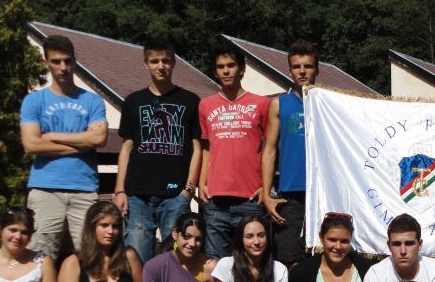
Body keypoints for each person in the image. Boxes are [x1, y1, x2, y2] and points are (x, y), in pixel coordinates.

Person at [20, 35, 108, 260]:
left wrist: (53, 136)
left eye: (68, 61)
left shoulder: (92, 101)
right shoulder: (34, 101)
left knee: (92, 257)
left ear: (75, 61)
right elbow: (31, 143)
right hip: (45, 188)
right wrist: (82, 144)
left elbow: (99, 138)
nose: (63, 67)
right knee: (40, 257)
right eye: (56, 61)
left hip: (84, 188)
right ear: (46, 63)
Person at [114, 38, 202, 263]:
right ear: (146, 64)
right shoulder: (133, 101)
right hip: (138, 195)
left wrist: (188, 189)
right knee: (136, 258)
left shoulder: (190, 101)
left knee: (176, 259)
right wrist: (120, 190)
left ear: (174, 63)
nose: (160, 66)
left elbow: (197, 148)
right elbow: (126, 147)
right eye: (154, 61)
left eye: (165, 61)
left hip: (174, 194)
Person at [198, 43, 269, 259]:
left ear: (242, 69)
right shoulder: (205, 105)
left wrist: (266, 187)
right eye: (221, 67)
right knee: (216, 265)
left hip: (251, 198)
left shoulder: (262, 104)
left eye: (231, 65)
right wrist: (201, 182)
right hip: (215, 200)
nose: (226, 71)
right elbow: (206, 148)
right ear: (215, 72)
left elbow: (271, 149)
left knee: (253, 264)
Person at [261, 40, 319, 268]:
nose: (302, 71)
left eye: (308, 66)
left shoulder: (329, 102)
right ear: (290, 70)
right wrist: (267, 194)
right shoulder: (279, 104)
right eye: (297, 66)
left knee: (321, 257)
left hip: (322, 192)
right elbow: (269, 150)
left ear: (317, 69)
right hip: (290, 193)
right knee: (289, 259)